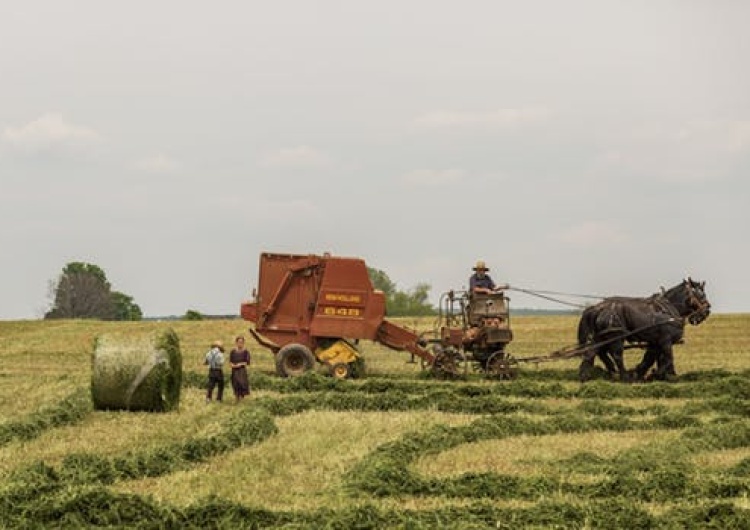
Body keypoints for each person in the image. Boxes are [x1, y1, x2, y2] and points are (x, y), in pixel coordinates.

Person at [229, 335, 250, 402]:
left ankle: (241, 397)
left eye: (241, 342)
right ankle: (236, 397)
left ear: (243, 343)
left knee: (242, 383)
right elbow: (230, 361)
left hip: (241, 370)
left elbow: (247, 362)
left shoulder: (246, 352)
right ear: (236, 342)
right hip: (234, 370)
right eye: (239, 342)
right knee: (235, 383)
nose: (240, 343)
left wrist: (240, 364)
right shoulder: (233, 351)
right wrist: (232, 365)